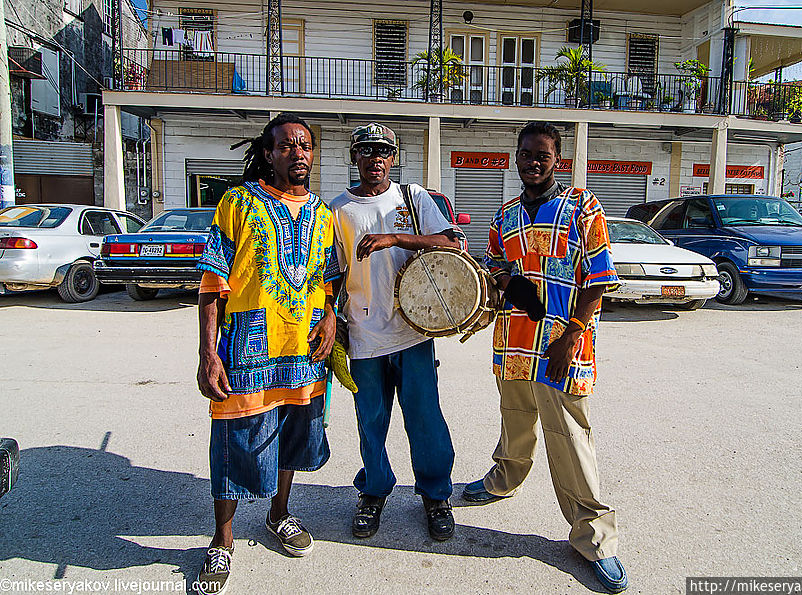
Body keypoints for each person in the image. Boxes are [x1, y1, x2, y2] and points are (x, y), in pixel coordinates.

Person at [462, 121, 628, 593]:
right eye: (526, 154)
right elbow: (495, 266)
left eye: (543, 155)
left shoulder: (582, 207)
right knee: (514, 420)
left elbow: (598, 278)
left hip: (562, 348)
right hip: (514, 340)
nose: (533, 161)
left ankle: (595, 538)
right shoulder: (505, 216)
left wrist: (571, 333)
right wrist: (502, 280)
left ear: (558, 159)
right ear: (516, 157)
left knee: (570, 437)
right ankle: (503, 479)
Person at [194, 113, 340, 595]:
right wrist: (208, 353)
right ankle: (222, 539)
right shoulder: (238, 203)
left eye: (305, 145)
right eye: (286, 146)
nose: (298, 153)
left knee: (295, 435)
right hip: (246, 348)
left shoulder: (323, 213)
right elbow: (213, 283)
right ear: (268, 152)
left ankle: (279, 513)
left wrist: (330, 319)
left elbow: (329, 281)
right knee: (235, 440)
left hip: (302, 352)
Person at [329, 123, 460, 541]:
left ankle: (436, 495)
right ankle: (374, 491)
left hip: (414, 331)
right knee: (371, 420)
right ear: (354, 158)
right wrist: (334, 322)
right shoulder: (337, 210)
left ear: (393, 156)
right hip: (364, 332)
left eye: (383, 151)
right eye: (366, 151)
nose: (375, 158)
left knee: (425, 419)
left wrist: (395, 237)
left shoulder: (413, 197)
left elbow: (451, 243)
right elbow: (331, 273)